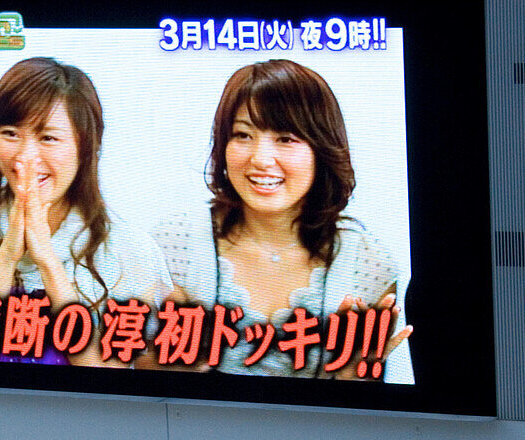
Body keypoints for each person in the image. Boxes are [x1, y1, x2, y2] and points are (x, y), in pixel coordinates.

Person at [153, 59, 414, 381]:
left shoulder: (370, 263)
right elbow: (141, 388)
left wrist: (351, 370)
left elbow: (363, 419)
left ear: (322, 148)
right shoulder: (171, 245)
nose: (260, 159)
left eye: (286, 138)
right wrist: (182, 359)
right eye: (242, 134)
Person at [0, 57, 171, 366]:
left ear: (86, 147)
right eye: (10, 133)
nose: (26, 157)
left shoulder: (130, 251)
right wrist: (5, 261)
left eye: (48, 138)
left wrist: (49, 265)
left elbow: (107, 373)